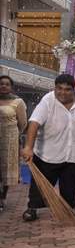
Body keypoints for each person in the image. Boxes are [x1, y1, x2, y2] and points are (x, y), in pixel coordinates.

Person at [21, 74, 75, 222]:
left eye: (67, 89)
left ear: (74, 90)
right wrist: (28, 147)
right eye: (59, 89)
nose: (62, 92)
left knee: (71, 185)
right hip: (49, 153)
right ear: (54, 88)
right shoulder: (47, 101)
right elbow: (34, 123)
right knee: (40, 184)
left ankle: (68, 208)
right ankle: (33, 208)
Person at [0, 76, 27, 211]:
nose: (4, 86)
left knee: (6, 169)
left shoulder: (18, 101)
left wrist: (14, 134)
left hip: (9, 140)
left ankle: (2, 197)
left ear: (11, 87)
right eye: (1, 84)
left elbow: (23, 123)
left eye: (7, 84)